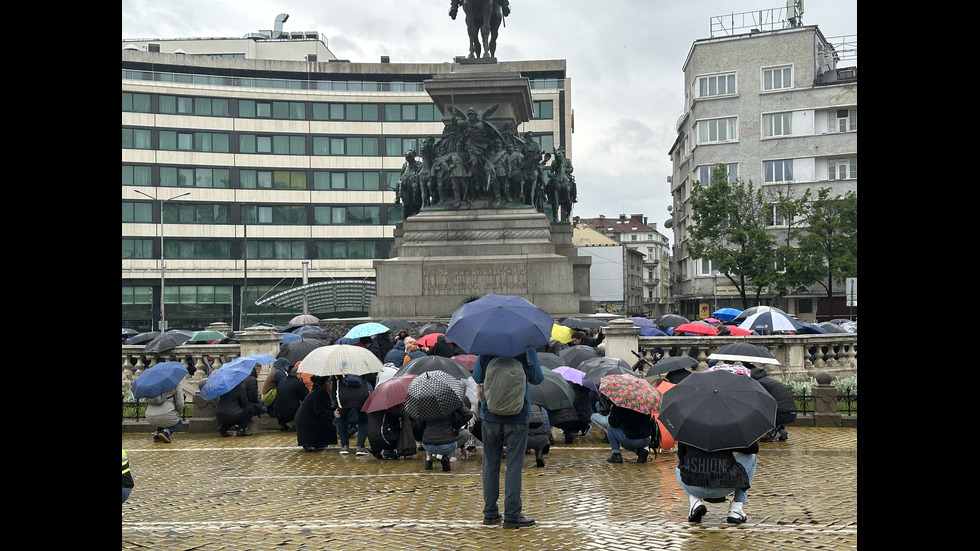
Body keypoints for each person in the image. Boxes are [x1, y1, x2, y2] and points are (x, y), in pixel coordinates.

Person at [472, 348, 544, 529]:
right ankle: (512, 515)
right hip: (518, 415)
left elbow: (477, 377)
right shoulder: (527, 349)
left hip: (490, 414)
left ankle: (490, 513)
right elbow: (538, 378)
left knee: (490, 465)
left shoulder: (487, 348)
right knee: (513, 466)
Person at [676, 440, 758, 524]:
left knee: (680, 468)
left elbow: (681, 456)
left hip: (695, 487)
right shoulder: (729, 428)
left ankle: (694, 501)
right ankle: (736, 508)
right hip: (725, 486)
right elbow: (753, 449)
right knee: (751, 457)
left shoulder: (688, 428)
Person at [413, 403, 473, 472]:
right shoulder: (451, 403)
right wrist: (455, 425)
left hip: (428, 446)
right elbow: (469, 414)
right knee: (466, 434)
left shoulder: (425, 405)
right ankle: (445, 456)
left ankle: (428, 460)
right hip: (447, 446)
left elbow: (419, 426)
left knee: (430, 434)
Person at [747, 362, 797, 442]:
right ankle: (781, 429)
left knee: (758, 412)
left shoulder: (760, 383)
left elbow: (762, 401)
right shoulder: (768, 380)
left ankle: (772, 432)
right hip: (791, 413)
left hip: (781, 414)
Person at [333, 371, 374, 456]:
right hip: (361, 395)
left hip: (344, 397)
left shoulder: (338, 368)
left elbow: (334, 388)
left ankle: (344, 446)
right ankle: (360, 447)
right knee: (363, 420)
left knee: (341, 418)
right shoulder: (361, 366)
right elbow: (371, 379)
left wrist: (335, 405)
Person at [294, 376, 338, 452]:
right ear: (324, 384)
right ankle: (311, 442)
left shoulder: (318, 393)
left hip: (308, 419)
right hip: (308, 421)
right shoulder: (318, 394)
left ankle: (318, 442)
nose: (330, 383)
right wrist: (332, 414)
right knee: (329, 426)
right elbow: (320, 411)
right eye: (328, 381)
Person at [274, 364, 309, 431]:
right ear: (298, 375)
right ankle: (293, 423)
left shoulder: (282, 382)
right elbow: (305, 398)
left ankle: (283, 424)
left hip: (278, 412)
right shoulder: (298, 383)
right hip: (290, 412)